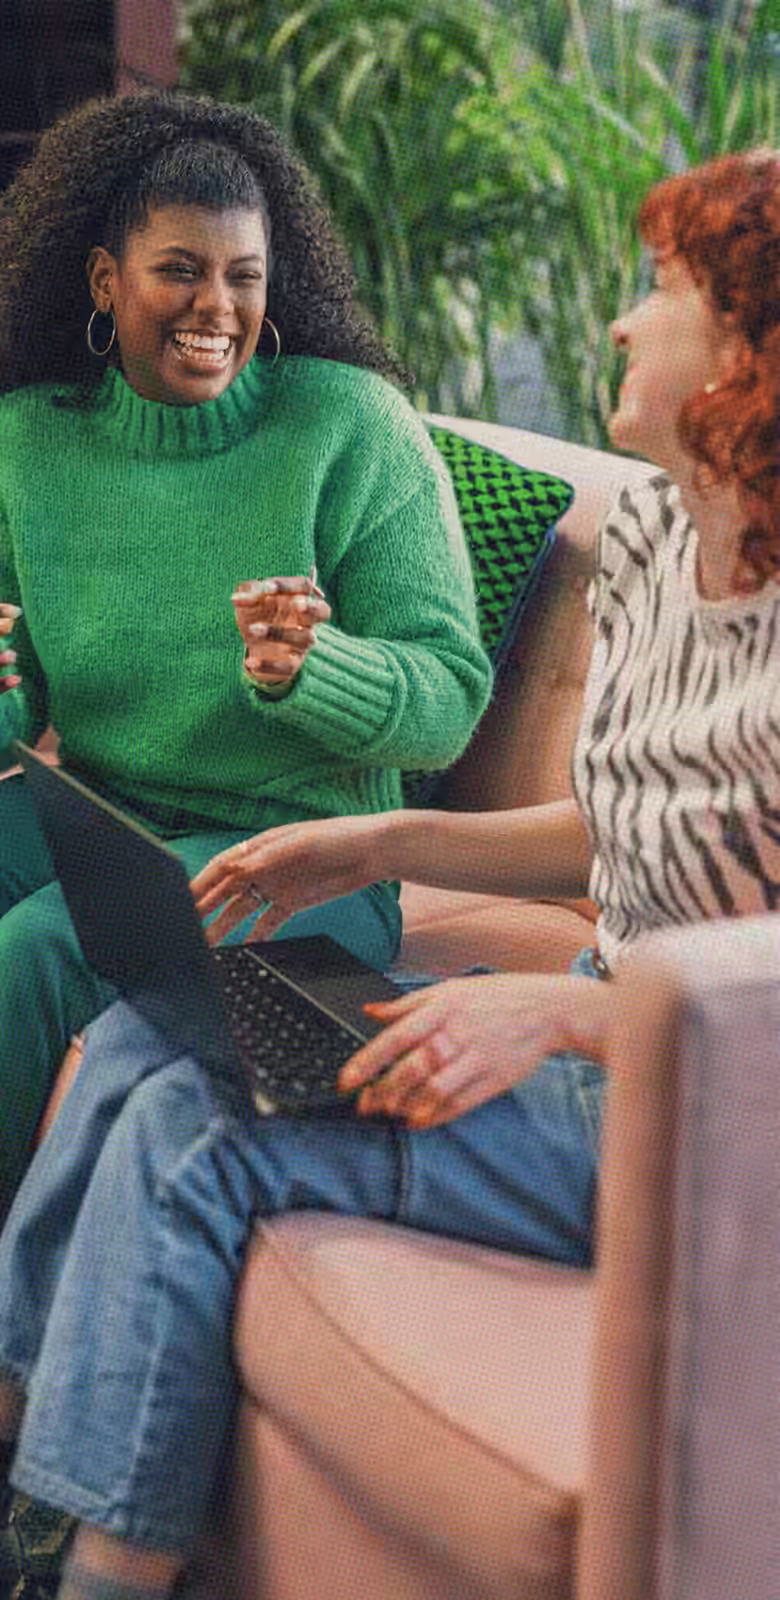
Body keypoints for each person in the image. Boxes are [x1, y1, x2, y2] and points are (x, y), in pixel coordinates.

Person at [1, 147, 779, 1600]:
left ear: (753, 346)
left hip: (718, 1117)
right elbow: (619, 825)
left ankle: (92, 1576)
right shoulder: (669, 546)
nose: (618, 324)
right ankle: (40, 1485)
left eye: (662, 292)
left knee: (198, 1135)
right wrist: (379, 841)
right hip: (611, 1037)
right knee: (138, 1045)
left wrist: (559, 1014)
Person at [0, 89, 492, 1213]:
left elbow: (450, 698)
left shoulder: (350, 425)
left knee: (38, 948)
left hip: (309, 858)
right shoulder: (28, 443)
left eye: (243, 274)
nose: (215, 304)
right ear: (103, 281)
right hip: (109, 819)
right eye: (180, 269)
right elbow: (16, 702)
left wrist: (314, 672)